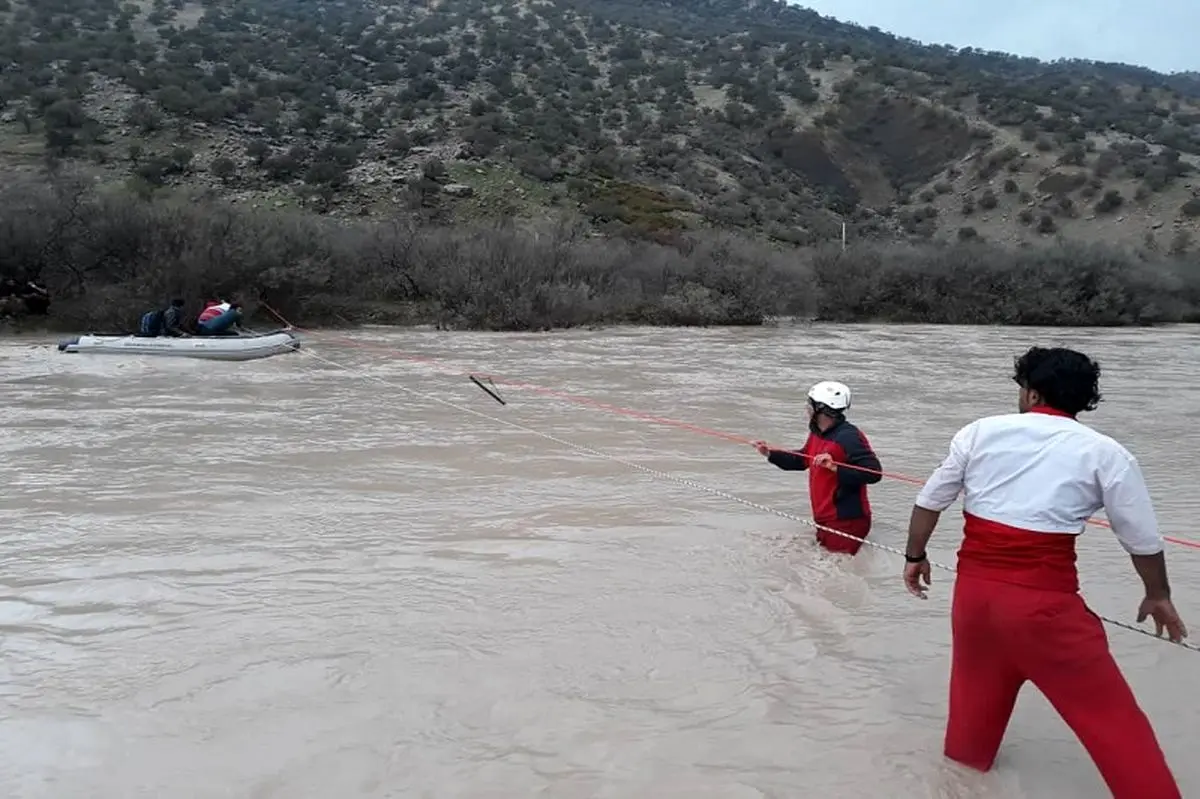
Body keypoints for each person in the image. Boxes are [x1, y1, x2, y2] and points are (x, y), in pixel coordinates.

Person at [902, 346, 1185, 799]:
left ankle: (959, 786)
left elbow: (930, 500)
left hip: (973, 601)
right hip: (1045, 611)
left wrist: (914, 557)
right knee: (1116, 727)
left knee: (972, 722)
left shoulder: (980, 433)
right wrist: (1158, 593)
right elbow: (1142, 538)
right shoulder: (1106, 453)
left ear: (1032, 394)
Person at [752, 380, 883, 555]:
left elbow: (874, 473)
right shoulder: (817, 432)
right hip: (825, 517)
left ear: (821, 408)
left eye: (810, 403)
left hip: (847, 521)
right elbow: (802, 460)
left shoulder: (848, 437)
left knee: (835, 573)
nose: (806, 407)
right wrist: (770, 453)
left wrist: (836, 467)